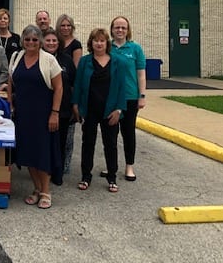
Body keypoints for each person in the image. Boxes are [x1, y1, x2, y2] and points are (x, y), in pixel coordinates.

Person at [7, 25, 63, 209]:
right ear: (23, 40)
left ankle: (46, 191)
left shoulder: (49, 60)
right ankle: (37, 188)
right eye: (27, 39)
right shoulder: (16, 57)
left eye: (35, 39)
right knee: (28, 152)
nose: (31, 42)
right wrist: (10, 103)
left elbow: (59, 88)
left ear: (40, 41)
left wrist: (54, 113)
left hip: (43, 114)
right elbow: (10, 82)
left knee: (42, 152)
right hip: (23, 113)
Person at [72, 28, 128, 193]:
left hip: (110, 110)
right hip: (89, 109)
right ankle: (85, 176)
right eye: (96, 40)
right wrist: (75, 104)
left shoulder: (118, 62)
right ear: (91, 43)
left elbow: (121, 88)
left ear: (107, 43)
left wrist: (119, 109)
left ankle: (112, 177)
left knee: (110, 144)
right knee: (87, 143)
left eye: (102, 40)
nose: (99, 43)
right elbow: (78, 85)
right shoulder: (84, 61)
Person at [105, 15, 147, 182]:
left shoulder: (135, 49)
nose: (120, 30)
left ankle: (129, 166)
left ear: (128, 30)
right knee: (110, 134)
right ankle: (111, 167)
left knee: (128, 133)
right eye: (117, 27)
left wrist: (142, 95)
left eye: (123, 27)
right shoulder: (107, 48)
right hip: (111, 98)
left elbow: (141, 74)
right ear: (112, 30)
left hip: (130, 97)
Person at [42, 29, 77, 184]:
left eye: (54, 41)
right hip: (42, 107)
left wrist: (74, 105)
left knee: (60, 142)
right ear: (43, 42)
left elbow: (74, 83)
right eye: (48, 40)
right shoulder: (38, 58)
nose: (51, 43)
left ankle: (58, 173)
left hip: (62, 108)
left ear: (59, 42)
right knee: (44, 143)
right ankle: (43, 171)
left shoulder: (67, 60)